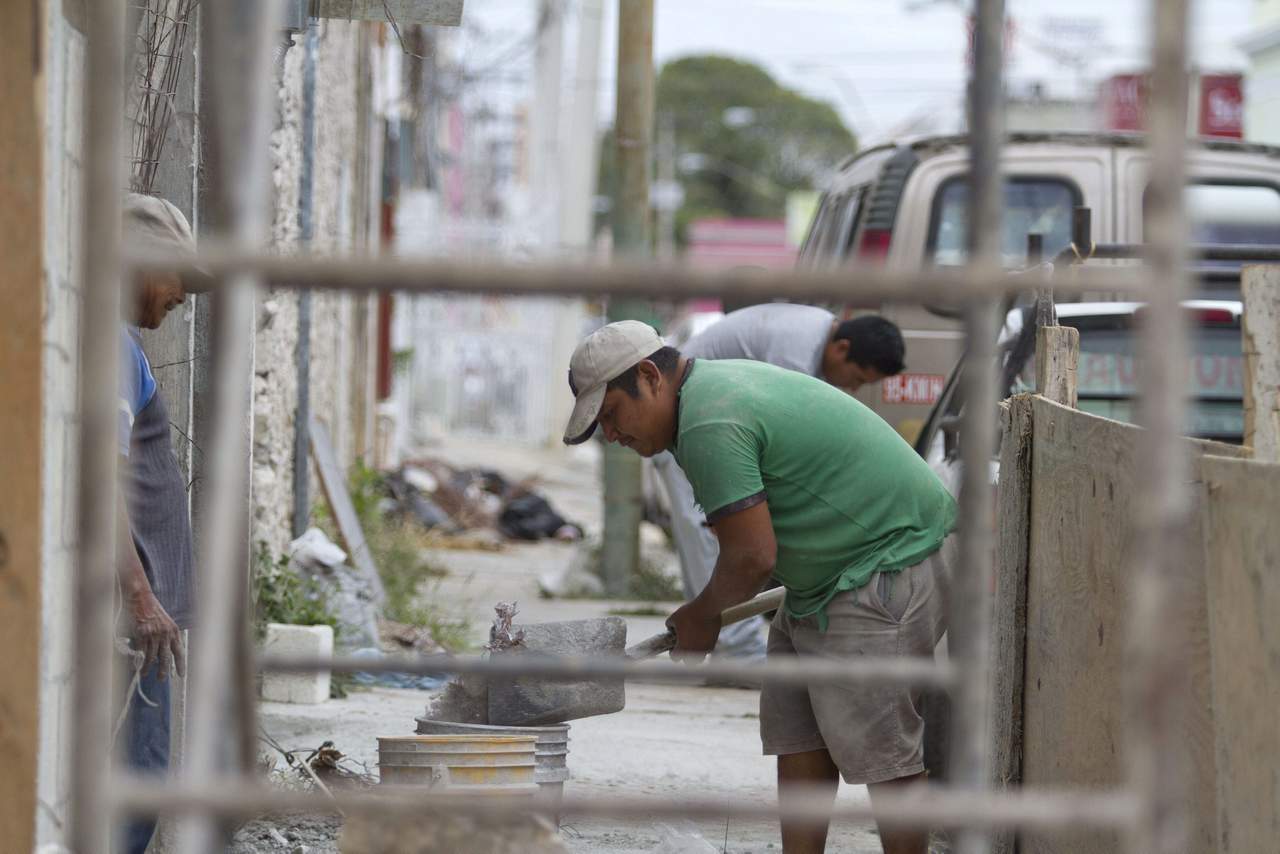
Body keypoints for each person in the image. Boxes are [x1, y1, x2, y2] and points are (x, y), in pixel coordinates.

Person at [563, 321, 956, 854]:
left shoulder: (708, 420)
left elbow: (751, 557)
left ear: (650, 377)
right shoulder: (703, 399)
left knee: (885, 756)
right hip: (821, 583)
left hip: (885, 565)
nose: (611, 435)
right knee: (799, 738)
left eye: (611, 414)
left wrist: (703, 615)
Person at [652, 305, 906, 660]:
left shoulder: (814, 335)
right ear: (842, 349)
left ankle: (731, 646)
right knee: (714, 536)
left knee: (728, 537)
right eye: (857, 378)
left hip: (709, 422)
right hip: (685, 424)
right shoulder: (795, 356)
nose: (853, 388)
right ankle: (737, 650)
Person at [117, 193, 207, 854]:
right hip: (133, 623)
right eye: (176, 275)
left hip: (139, 620)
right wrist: (142, 599)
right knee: (137, 793)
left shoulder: (119, 344)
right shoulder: (111, 349)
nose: (183, 295)